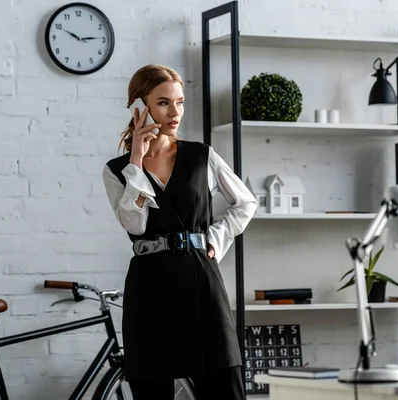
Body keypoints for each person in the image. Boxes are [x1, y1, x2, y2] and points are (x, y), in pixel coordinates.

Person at [102, 64, 257, 400]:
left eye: (180, 102)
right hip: (150, 286)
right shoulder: (118, 171)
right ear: (138, 108)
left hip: (201, 279)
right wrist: (137, 163)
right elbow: (134, 224)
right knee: (152, 389)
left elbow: (245, 203)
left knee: (224, 386)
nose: (175, 113)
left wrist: (213, 240)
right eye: (163, 103)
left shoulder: (202, 157)